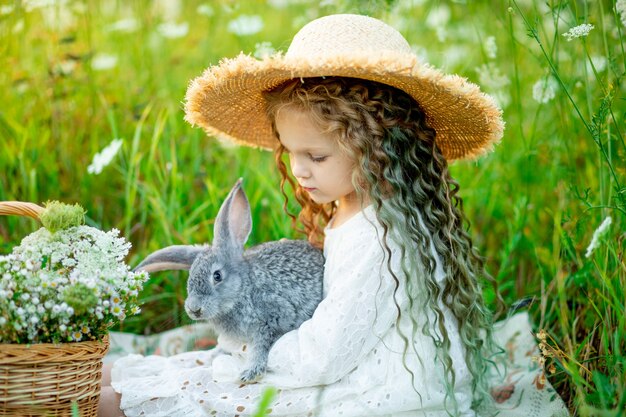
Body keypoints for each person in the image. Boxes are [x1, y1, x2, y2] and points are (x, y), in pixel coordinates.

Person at [99, 13, 568, 417]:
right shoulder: (353, 204)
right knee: (134, 380)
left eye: (316, 157)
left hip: (383, 383)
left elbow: (327, 353)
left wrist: (242, 352)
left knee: (136, 399)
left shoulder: (383, 238)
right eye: (290, 152)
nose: (298, 171)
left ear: (377, 147)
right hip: (343, 355)